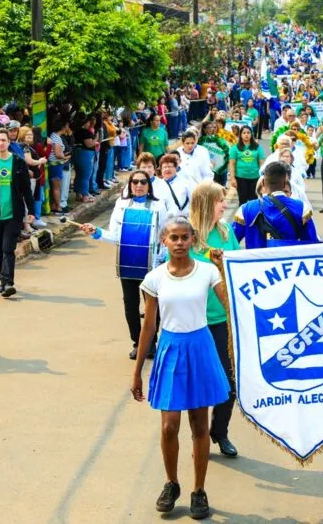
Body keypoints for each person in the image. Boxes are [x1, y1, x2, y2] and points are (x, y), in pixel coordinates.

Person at [117, 217, 229, 520]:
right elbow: (149, 326)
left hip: (200, 348)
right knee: (169, 426)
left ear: (192, 239)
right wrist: (137, 370)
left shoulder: (207, 272)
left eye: (184, 237)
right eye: (173, 238)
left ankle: (198, 490)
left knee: (199, 424)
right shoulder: (154, 279)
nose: (179, 243)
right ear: (163, 241)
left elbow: (229, 304)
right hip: (170, 349)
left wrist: (222, 268)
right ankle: (171, 483)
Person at [89, 169, 168, 360]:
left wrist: (163, 257)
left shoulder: (158, 206)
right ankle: (137, 342)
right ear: (130, 185)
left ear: (149, 186)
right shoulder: (121, 205)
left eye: (143, 182)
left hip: (152, 264)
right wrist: (96, 232)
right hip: (128, 263)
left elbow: (164, 236)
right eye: (135, 182)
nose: (139, 186)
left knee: (152, 304)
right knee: (131, 305)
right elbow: (116, 236)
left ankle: (151, 342)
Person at [189, 182, 240, 458]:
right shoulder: (186, 235)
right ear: (207, 203)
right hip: (193, 323)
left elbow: (240, 264)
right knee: (198, 386)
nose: (224, 205)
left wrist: (225, 259)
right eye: (220, 201)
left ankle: (219, 432)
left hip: (222, 320)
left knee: (228, 384)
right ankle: (199, 437)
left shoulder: (226, 231)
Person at [0, 128, 36, 297]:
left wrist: (31, 210)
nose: (1, 143)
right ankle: (3, 281)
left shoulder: (18, 161)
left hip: (14, 213)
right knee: (0, 250)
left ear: (8, 142)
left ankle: (8, 282)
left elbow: (26, 189)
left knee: (8, 248)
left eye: (4, 140)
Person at [233, 161, 318, 248]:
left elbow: (229, 242)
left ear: (263, 183)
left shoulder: (246, 209)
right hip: (288, 260)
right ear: (285, 183)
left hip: (256, 261)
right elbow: (311, 245)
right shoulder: (301, 208)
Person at [227, 126, 265, 205]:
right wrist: (232, 178)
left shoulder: (257, 147)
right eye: (244, 133)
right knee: (242, 200)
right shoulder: (235, 148)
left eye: (248, 133)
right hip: (240, 178)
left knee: (254, 201)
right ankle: (242, 217)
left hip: (255, 177)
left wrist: (263, 178)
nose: (246, 135)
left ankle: (253, 217)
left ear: (251, 134)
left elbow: (262, 163)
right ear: (240, 135)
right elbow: (232, 164)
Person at [159, 153, 194, 217]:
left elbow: (194, 202)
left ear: (176, 168)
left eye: (170, 166)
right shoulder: (158, 185)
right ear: (161, 170)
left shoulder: (186, 182)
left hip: (184, 221)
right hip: (165, 222)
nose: (167, 169)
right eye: (164, 167)